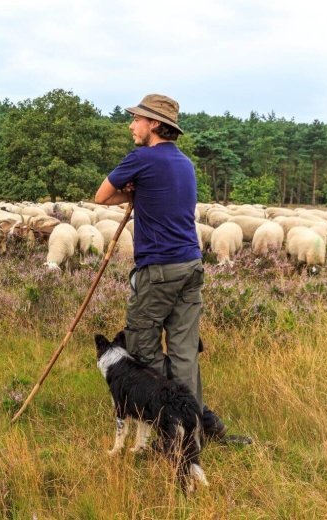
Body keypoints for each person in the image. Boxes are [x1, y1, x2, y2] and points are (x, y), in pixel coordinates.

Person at [94, 94, 230, 441]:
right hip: (191, 265)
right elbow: (156, 194)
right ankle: (196, 427)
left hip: (158, 270)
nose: (131, 125)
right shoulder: (185, 163)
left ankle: (176, 419)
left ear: (154, 123)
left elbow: (101, 196)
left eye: (136, 119)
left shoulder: (141, 158)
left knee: (141, 347)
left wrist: (130, 191)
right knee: (185, 352)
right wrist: (138, 191)